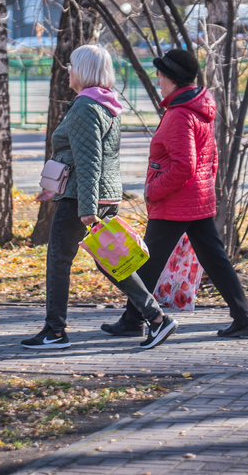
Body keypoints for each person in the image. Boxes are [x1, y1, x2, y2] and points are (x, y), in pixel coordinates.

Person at [22, 45, 178, 351]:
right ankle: (157, 319)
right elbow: (87, 156)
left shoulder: (84, 107)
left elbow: (90, 160)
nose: (68, 71)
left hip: (83, 198)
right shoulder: (108, 104)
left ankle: (54, 332)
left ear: (83, 70)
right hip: (101, 195)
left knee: (58, 260)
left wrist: (87, 208)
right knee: (112, 260)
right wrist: (55, 186)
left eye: (71, 66)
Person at [101, 49, 248, 339]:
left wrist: (152, 190)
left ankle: (134, 320)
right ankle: (243, 319)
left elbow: (184, 165)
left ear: (172, 79)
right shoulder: (199, 107)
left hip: (175, 201)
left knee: (146, 262)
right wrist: (205, 187)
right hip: (197, 198)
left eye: (160, 75)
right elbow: (211, 158)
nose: (158, 80)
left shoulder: (180, 114)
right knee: (214, 259)